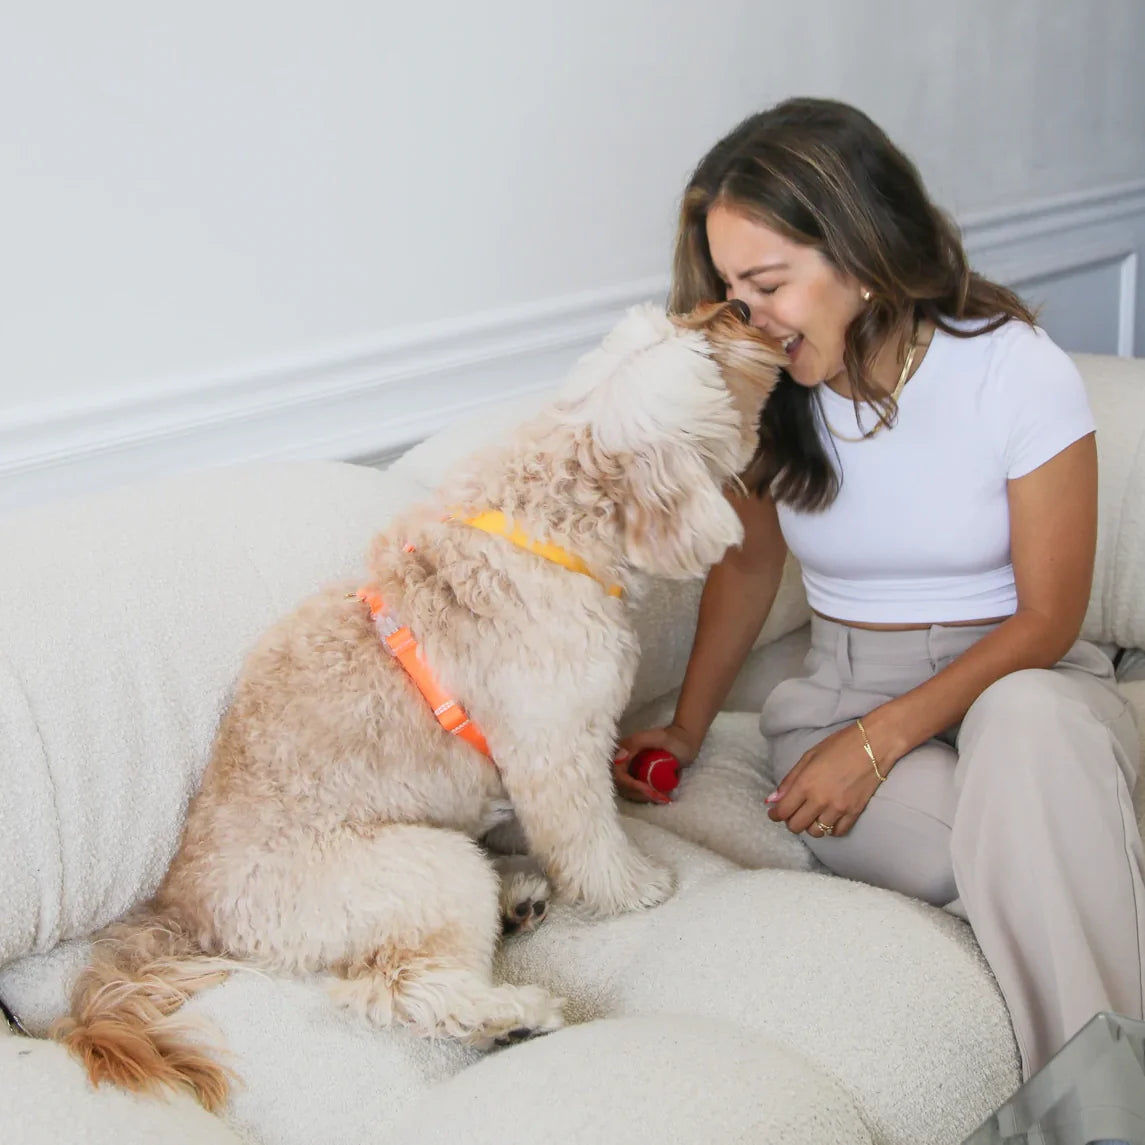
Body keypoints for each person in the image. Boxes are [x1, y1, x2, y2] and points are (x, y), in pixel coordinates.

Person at [615, 97, 1145, 1083]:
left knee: (1032, 737)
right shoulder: (766, 389)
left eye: (766, 282)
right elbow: (745, 563)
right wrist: (686, 728)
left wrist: (881, 739)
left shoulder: (1011, 368)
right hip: (841, 686)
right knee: (1025, 849)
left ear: (857, 258)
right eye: (732, 288)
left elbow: (1046, 616)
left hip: (1025, 670)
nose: (749, 316)